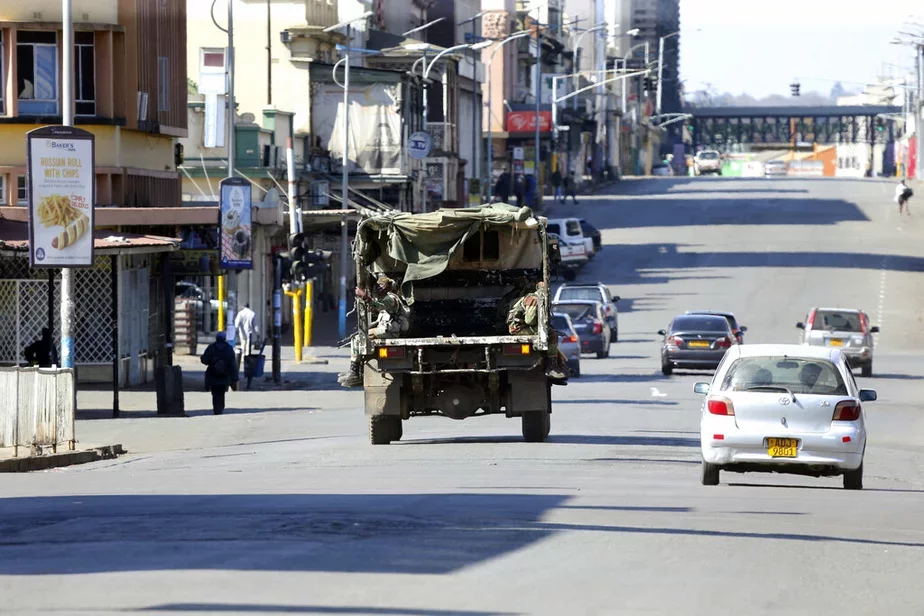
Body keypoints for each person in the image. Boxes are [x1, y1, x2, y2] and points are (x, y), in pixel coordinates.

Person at [338, 275, 410, 388]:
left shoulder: (391, 298)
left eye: (381, 285)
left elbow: (380, 306)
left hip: (390, 332)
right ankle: (357, 371)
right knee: (359, 336)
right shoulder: (388, 298)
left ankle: (354, 372)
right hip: (387, 330)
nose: (379, 288)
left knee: (359, 340)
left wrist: (366, 297)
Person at [506, 282, 568, 383]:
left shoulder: (532, 297)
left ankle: (557, 366)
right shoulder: (534, 299)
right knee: (551, 335)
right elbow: (529, 320)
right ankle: (551, 368)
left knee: (550, 333)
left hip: (518, 327)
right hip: (518, 329)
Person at [201, 331, 238, 415]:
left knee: (214, 394)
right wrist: (234, 379)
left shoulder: (211, 348)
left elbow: (204, 360)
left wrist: (212, 361)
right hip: (224, 375)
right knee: (221, 393)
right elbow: (233, 365)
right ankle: (220, 408)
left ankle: (216, 408)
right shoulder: (229, 349)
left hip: (213, 374)